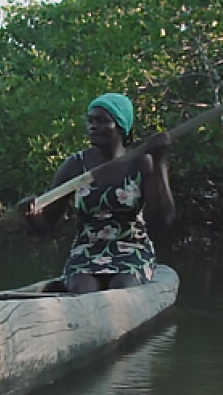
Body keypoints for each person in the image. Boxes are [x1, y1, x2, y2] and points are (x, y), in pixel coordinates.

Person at [21, 92, 174, 294]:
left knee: (122, 289)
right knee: (83, 290)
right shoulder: (76, 165)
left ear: (121, 127)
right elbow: (46, 225)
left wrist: (160, 161)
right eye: (91, 120)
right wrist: (31, 214)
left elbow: (163, 221)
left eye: (102, 121)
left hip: (131, 249)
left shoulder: (141, 163)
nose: (93, 126)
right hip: (87, 251)